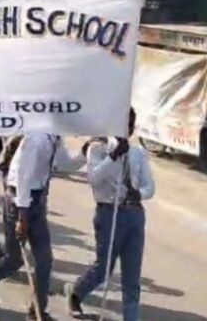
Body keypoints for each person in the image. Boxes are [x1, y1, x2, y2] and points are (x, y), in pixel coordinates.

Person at [0, 133, 83, 319]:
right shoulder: (36, 140)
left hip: (38, 200)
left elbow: (64, 164)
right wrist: (22, 217)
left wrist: (84, 153)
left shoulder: (55, 138)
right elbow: (22, 178)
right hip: (19, 202)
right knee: (14, 259)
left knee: (44, 260)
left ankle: (37, 311)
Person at [65, 109, 155, 321]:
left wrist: (138, 193)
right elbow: (94, 179)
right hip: (108, 213)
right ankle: (77, 292)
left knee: (131, 278)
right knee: (104, 268)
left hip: (134, 214)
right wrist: (113, 156)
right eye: (124, 124)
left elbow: (149, 187)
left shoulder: (137, 153)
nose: (128, 129)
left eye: (131, 125)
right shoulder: (98, 148)